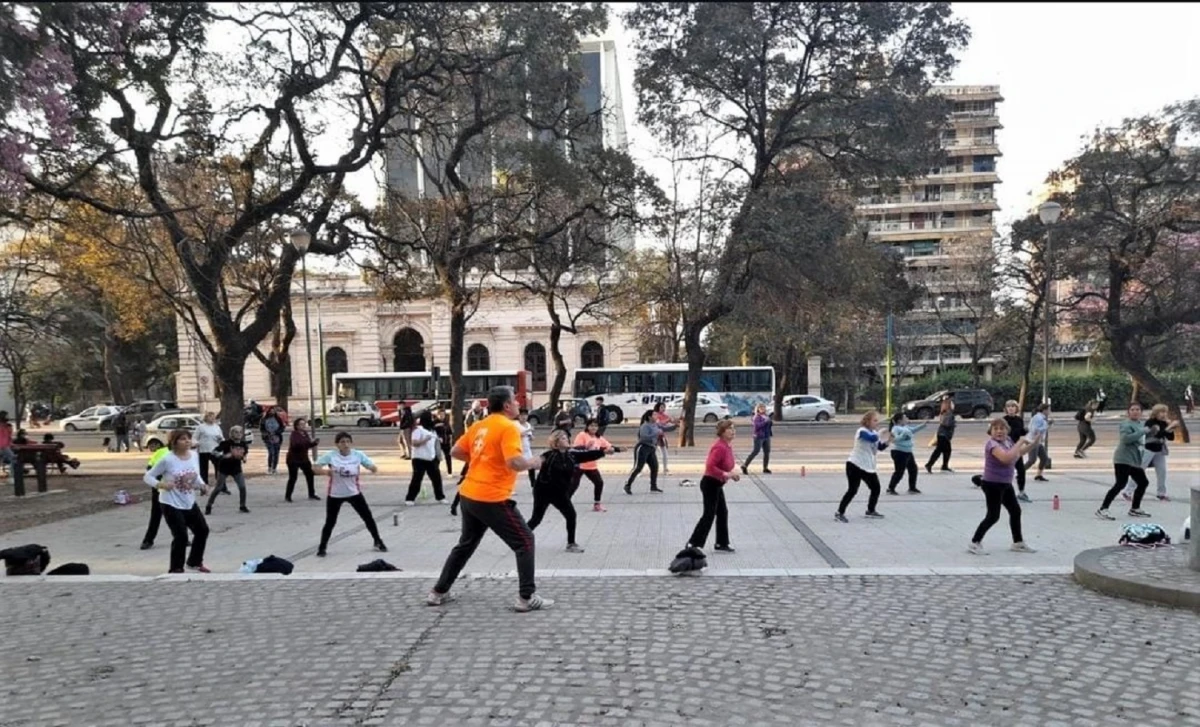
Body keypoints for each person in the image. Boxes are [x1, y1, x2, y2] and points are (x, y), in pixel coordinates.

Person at [426, 385, 547, 612]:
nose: (518, 403)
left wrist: (481, 461)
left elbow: (455, 451)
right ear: (507, 405)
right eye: (515, 400)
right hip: (493, 497)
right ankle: (526, 597)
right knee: (524, 541)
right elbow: (515, 462)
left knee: (466, 544)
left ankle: (438, 592)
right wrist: (535, 462)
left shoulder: (479, 425)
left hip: (469, 494)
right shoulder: (509, 427)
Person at [968, 418, 1041, 555]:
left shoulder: (1008, 441)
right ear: (990, 432)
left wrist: (1034, 442)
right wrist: (1020, 441)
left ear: (1007, 431)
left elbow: (1018, 453)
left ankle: (1018, 542)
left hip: (1005, 484)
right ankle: (975, 542)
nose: (999, 431)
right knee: (993, 516)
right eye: (995, 429)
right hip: (992, 484)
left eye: (1002, 428)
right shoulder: (992, 444)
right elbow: (1006, 459)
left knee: (1015, 511)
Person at [527, 430, 609, 552]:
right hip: (543, 491)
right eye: (563, 438)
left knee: (571, 515)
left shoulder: (571, 455)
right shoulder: (548, 455)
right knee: (536, 519)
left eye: (566, 437)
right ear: (556, 442)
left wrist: (603, 452)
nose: (566, 440)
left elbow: (588, 455)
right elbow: (532, 465)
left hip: (559, 493)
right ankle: (520, 539)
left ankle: (571, 544)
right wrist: (533, 482)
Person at [142, 429, 210, 573]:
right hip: (170, 503)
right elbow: (148, 477)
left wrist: (202, 485)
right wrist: (161, 484)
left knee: (202, 530)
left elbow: (195, 474)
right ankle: (176, 569)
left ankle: (194, 561)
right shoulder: (167, 459)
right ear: (174, 442)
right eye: (183, 439)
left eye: (188, 438)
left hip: (188, 500)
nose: (187, 441)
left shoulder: (194, 455)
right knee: (181, 536)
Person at [315, 431, 387, 557]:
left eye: (348, 441)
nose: (345, 444)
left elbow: (371, 465)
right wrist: (326, 472)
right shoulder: (331, 455)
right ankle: (322, 546)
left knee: (368, 517)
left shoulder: (357, 455)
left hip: (354, 492)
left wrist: (372, 468)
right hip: (335, 494)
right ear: (337, 444)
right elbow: (315, 467)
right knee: (330, 521)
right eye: (342, 442)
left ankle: (377, 541)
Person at [686, 419, 741, 553]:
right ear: (722, 432)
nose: (733, 431)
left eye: (733, 428)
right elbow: (710, 466)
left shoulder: (727, 446)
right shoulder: (719, 447)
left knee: (722, 512)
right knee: (709, 514)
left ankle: (721, 543)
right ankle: (693, 543)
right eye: (730, 429)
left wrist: (732, 474)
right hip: (710, 483)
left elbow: (726, 465)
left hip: (717, 483)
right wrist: (726, 474)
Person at [1096, 403, 1156, 520]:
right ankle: (1103, 509)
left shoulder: (1139, 424)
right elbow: (1125, 439)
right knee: (1120, 484)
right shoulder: (1126, 424)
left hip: (1134, 460)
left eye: (1138, 409)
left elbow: (1141, 440)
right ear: (1128, 412)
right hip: (1123, 459)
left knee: (1143, 482)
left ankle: (1135, 508)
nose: (1135, 412)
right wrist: (1143, 431)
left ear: (1141, 412)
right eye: (1132, 409)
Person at [835, 411, 891, 523]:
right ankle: (839, 513)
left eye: (877, 420)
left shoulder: (874, 433)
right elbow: (871, 438)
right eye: (874, 420)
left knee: (876, 488)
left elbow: (879, 447)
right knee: (852, 490)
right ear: (867, 421)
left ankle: (870, 510)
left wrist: (889, 440)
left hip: (867, 466)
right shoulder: (861, 431)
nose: (877, 422)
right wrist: (880, 433)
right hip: (855, 465)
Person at [1122, 403, 1179, 503]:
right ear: (1156, 413)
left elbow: (1171, 438)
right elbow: (1157, 434)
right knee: (1140, 470)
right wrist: (1169, 427)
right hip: (1148, 449)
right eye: (1161, 412)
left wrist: (1171, 429)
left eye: (1165, 412)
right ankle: (1128, 491)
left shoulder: (1164, 423)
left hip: (1159, 450)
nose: (1164, 414)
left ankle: (1161, 493)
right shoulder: (1150, 422)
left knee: (1162, 471)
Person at [624, 410, 676, 494]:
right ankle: (628, 484)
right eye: (654, 415)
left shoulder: (656, 424)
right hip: (642, 448)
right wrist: (656, 433)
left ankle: (653, 486)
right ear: (649, 417)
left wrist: (676, 425)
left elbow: (665, 428)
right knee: (638, 467)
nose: (656, 416)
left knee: (654, 467)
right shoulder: (645, 426)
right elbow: (644, 437)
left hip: (651, 449)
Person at [573, 418, 617, 512]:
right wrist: (586, 446)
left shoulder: (598, 438)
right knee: (573, 485)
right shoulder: (582, 435)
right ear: (587, 426)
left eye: (596, 426)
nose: (594, 428)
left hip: (591, 465)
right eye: (591, 425)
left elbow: (608, 446)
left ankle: (597, 505)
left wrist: (615, 449)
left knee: (599, 483)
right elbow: (576, 448)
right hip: (580, 465)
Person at [205, 425, 250, 514]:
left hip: (236, 468)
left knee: (242, 487)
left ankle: (242, 505)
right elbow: (214, 452)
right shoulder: (226, 443)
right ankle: (209, 505)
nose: (238, 434)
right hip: (224, 468)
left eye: (240, 432)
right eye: (236, 432)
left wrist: (244, 458)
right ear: (232, 433)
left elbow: (244, 454)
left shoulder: (243, 444)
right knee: (218, 488)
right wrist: (223, 456)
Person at [405, 410, 446, 505]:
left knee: (437, 479)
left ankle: (440, 497)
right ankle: (410, 498)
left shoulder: (432, 430)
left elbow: (435, 443)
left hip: (431, 458)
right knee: (417, 479)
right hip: (419, 459)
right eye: (430, 418)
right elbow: (414, 443)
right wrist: (425, 440)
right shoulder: (418, 430)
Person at [885, 412, 926, 495]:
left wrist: (923, 425)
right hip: (899, 452)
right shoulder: (895, 429)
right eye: (905, 417)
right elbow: (894, 440)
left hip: (908, 452)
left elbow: (913, 430)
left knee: (913, 469)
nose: (907, 418)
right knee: (899, 471)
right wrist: (903, 435)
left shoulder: (905, 427)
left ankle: (912, 487)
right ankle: (890, 488)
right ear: (899, 420)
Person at [140, 445, 170, 550]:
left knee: (178, 514)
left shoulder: (183, 454)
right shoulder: (163, 453)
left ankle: (183, 538)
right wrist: (159, 483)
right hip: (161, 486)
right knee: (157, 514)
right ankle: (148, 540)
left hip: (172, 489)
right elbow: (150, 470)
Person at [1001, 401, 1031, 502]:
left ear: (1016, 408)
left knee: (1021, 470)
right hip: (1006, 449)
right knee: (1005, 471)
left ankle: (1021, 491)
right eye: (1008, 406)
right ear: (1006, 409)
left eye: (1013, 406)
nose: (1011, 408)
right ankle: (1002, 492)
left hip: (1016, 448)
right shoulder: (1003, 420)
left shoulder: (1019, 420)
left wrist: (1025, 431)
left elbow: (1020, 432)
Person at [285, 417, 320, 502]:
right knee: (293, 477)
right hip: (293, 459)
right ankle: (288, 496)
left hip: (304, 458)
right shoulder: (294, 434)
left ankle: (311, 494)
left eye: (304, 424)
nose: (303, 426)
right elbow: (296, 445)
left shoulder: (305, 433)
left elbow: (307, 445)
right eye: (301, 424)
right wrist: (307, 442)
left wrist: (314, 443)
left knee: (310, 475)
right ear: (296, 426)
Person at [924, 397, 956, 474]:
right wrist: (953, 423)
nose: (953, 405)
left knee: (945, 450)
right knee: (940, 450)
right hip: (943, 435)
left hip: (943, 434)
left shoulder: (945, 412)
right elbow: (946, 423)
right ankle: (930, 464)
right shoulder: (948, 413)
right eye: (951, 403)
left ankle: (943, 466)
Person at [741, 403, 773, 475]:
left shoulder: (766, 416)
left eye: (763, 408)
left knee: (767, 452)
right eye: (761, 408)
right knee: (756, 451)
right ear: (758, 409)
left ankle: (765, 468)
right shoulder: (756, 417)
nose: (762, 409)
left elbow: (769, 425)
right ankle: (745, 465)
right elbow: (757, 427)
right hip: (759, 436)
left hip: (766, 436)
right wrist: (765, 422)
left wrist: (769, 421)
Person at [193, 412, 224, 488]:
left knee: (219, 468)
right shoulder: (201, 427)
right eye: (210, 417)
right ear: (206, 418)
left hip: (215, 450)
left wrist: (220, 439)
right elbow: (194, 438)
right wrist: (197, 443)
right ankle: (204, 485)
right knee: (203, 469)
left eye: (213, 417)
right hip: (204, 450)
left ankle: (221, 486)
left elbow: (222, 438)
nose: (212, 418)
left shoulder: (217, 427)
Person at [1025, 403, 1052, 482]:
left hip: (1038, 441)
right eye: (1049, 410)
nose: (1050, 411)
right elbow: (1035, 429)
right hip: (1033, 441)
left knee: (1044, 458)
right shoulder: (1038, 418)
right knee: (1032, 460)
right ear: (1044, 410)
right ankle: (1020, 472)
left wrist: (1047, 425)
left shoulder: (1041, 418)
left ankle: (1039, 475)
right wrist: (1046, 426)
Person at [260, 406, 285, 475]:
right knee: (271, 452)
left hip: (277, 438)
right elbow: (262, 429)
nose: (272, 412)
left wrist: (277, 432)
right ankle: (269, 467)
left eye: (273, 411)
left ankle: (274, 468)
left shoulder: (278, 419)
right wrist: (267, 434)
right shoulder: (264, 419)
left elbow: (282, 427)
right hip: (268, 438)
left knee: (276, 453)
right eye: (270, 411)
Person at [652, 402, 674, 474]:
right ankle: (639, 469)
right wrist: (668, 421)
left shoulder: (665, 415)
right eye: (661, 407)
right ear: (658, 407)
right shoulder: (655, 414)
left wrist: (675, 421)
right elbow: (659, 424)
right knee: (650, 454)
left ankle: (665, 469)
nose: (663, 408)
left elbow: (669, 424)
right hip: (653, 437)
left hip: (661, 437)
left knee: (664, 453)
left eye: (664, 407)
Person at [518, 408, 537, 488]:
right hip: (518, 448)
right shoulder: (516, 424)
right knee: (514, 467)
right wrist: (528, 430)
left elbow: (529, 435)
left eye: (525, 415)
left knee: (531, 465)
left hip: (527, 448)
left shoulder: (528, 424)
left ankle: (533, 483)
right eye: (522, 415)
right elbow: (518, 434)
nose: (524, 417)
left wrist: (531, 437)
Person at [433, 409, 454, 475]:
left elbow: (450, 432)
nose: (442, 416)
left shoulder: (446, 422)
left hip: (446, 442)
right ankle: (435, 471)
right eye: (440, 414)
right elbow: (432, 432)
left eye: (443, 415)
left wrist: (450, 440)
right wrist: (438, 437)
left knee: (448, 457)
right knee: (437, 458)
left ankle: (450, 472)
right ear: (437, 415)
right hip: (438, 443)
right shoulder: (434, 422)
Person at [0, 410, 14, 479]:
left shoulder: (7, 426)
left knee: (10, 459)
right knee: (13, 459)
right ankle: (12, 476)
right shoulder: (3, 427)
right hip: (3, 447)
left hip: (5, 447)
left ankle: (11, 476)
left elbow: (9, 438)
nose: (8, 417)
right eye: (6, 416)